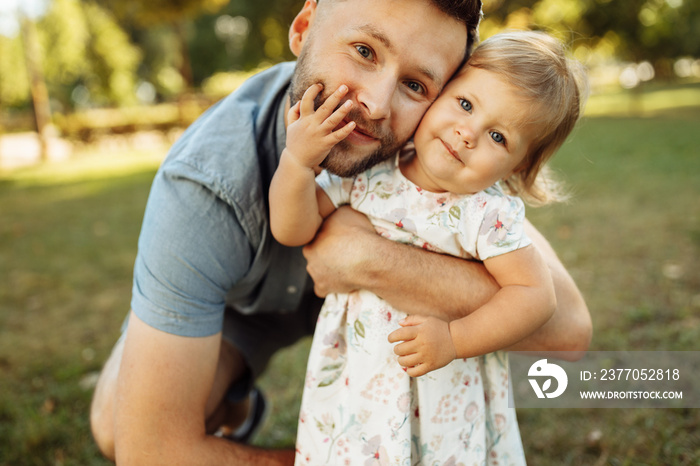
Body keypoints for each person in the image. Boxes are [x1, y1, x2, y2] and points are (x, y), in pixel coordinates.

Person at [89, 1, 591, 464]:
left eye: (416, 85)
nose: (374, 105)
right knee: (119, 426)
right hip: (240, 311)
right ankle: (236, 403)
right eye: (365, 51)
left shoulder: (445, 167)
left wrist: (365, 258)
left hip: (388, 327)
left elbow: (564, 330)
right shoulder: (204, 185)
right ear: (304, 28)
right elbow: (150, 452)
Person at [269, 30, 588, 464]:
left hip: (446, 399)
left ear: (521, 164)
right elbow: (294, 230)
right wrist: (297, 163)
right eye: (466, 104)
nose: (468, 133)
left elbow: (535, 296)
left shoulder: (486, 214)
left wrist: (456, 338)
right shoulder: (370, 173)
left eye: (499, 137)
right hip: (356, 385)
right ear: (440, 92)